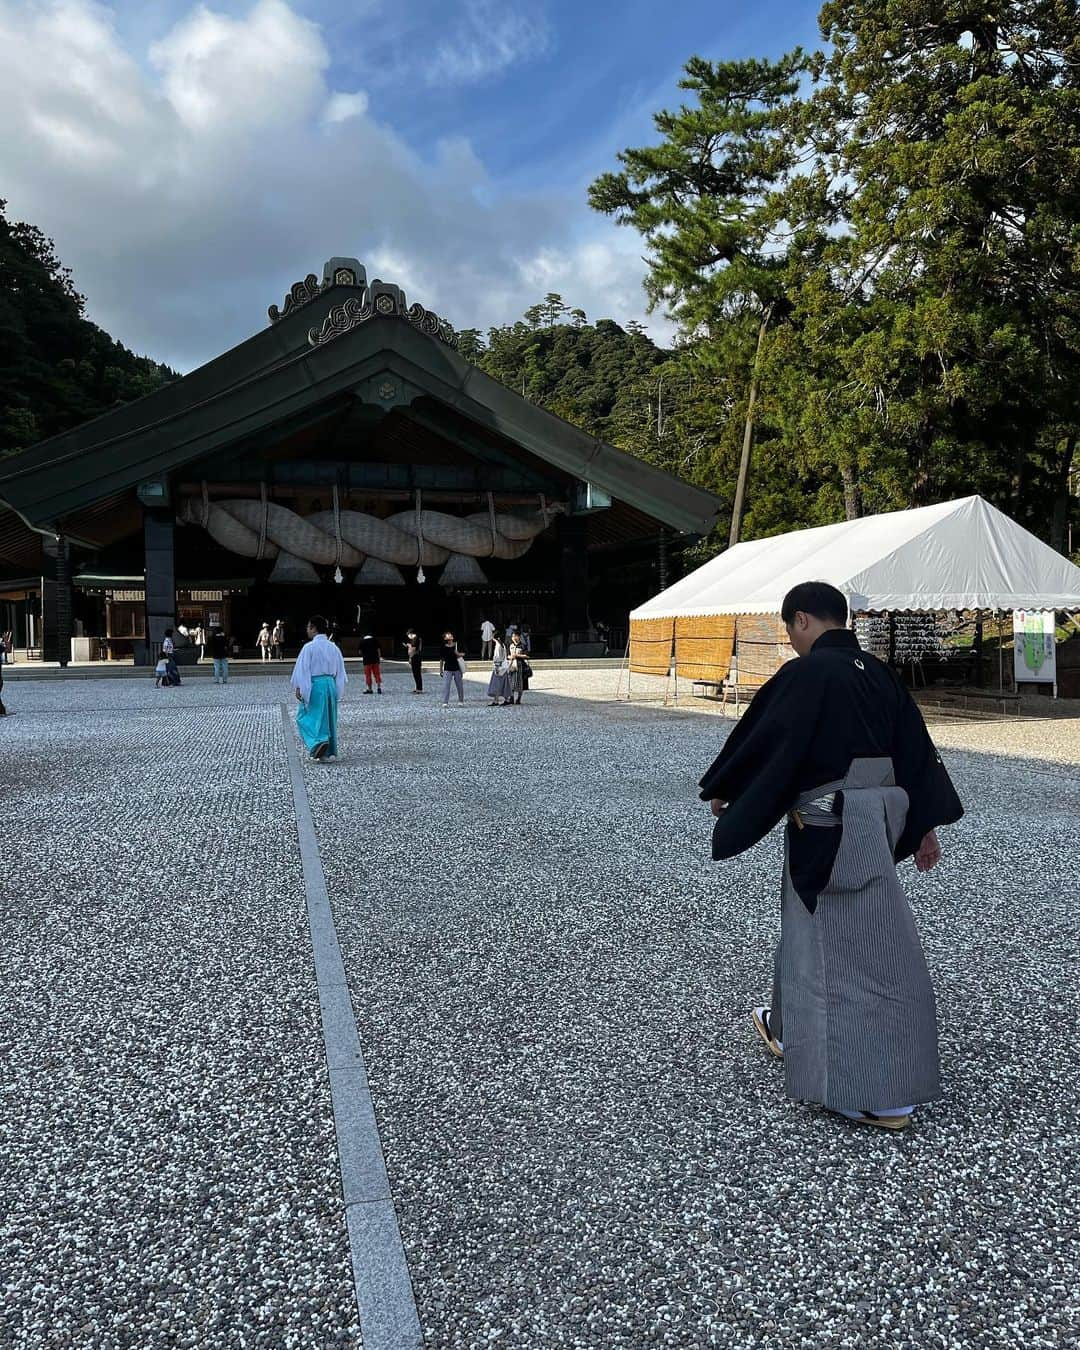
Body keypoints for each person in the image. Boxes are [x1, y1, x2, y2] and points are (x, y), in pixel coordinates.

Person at [698, 581, 963, 1133]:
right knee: (808, 923)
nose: (792, 642)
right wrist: (923, 827)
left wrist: (733, 790)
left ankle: (867, 1089)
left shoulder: (807, 674)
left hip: (830, 825)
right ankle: (788, 1025)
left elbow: (770, 741)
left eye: (790, 631)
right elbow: (916, 752)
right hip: (878, 818)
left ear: (801, 621)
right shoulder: (881, 674)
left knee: (843, 945)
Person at [291, 614, 347, 761]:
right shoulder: (333, 647)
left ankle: (318, 742)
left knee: (308, 715)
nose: (307, 630)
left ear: (313, 628)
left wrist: (300, 687)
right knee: (328, 716)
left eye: (308, 627)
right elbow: (340, 671)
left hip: (315, 684)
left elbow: (303, 670)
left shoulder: (309, 647)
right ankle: (329, 750)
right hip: (330, 683)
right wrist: (338, 689)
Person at [439, 631, 465, 707]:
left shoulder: (457, 644)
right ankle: (445, 702)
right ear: (445, 638)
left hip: (457, 668)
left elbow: (464, 654)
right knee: (446, 686)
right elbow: (441, 659)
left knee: (459, 685)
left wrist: (458, 654)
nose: (450, 635)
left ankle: (461, 700)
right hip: (447, 668)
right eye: (448, 635)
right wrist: (440, 670)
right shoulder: (443, 647)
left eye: (450, 634)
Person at [487, 636, 511, 706]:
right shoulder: (503, 645)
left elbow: (497, 658)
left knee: (496, 684)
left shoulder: (498, 646)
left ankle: (496, 700)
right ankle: (506, 699)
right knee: (504, 684)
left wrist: (497, 667)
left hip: (499, 667)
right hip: (504, 667)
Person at [507, 631, 528, 705]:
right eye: (512, 636)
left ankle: (519, 698)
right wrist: (510, 657)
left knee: (520, 684)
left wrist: (517, 655)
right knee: (511, 683)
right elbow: (507, 655)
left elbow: (527, 656)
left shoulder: (523, 646)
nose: (513, 638)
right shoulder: (510, 645)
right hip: (512, 665)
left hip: (520, 666)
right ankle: (511, 697)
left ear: (519, 637)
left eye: (515, 636)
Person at [405, 629, 424, 693]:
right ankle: (418, 687)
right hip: (417, 657)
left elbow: (413, 649)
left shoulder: (415, 639)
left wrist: (409, 646)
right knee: (416, 673)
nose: (409, 637)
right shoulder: (418, 639)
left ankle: (419, 689)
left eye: (408, 636)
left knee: (416, 673)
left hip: (415, 657)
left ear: (410, 634)